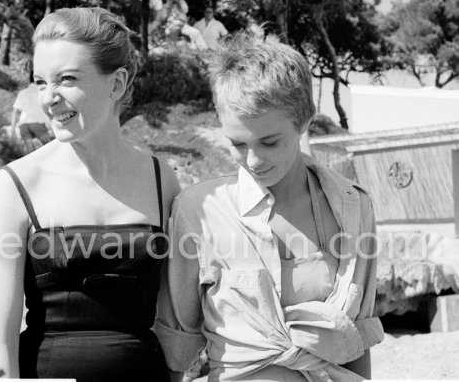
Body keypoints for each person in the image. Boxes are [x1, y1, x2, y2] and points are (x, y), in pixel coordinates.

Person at [154, 31, 384, 381]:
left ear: (304, 121)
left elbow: (356, 338)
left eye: (270, 142)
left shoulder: (354, 206)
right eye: (237, 143)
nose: (254, 160)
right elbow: (177, 345)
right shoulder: (198, 211)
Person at [0, 7, 180, 382]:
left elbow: (172, 318)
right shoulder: (16, 183)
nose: (49, 98)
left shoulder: (161, 178)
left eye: (67, 79)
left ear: (117, 83)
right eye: (41, 82)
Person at [10, 67, 53, 154]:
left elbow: (15, 112)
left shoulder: (23, 92)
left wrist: (13, 130)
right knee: (50, 147)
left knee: (30, 151)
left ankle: (30, 165)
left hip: (23, 126)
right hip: (37, 124)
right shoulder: (43, 92)